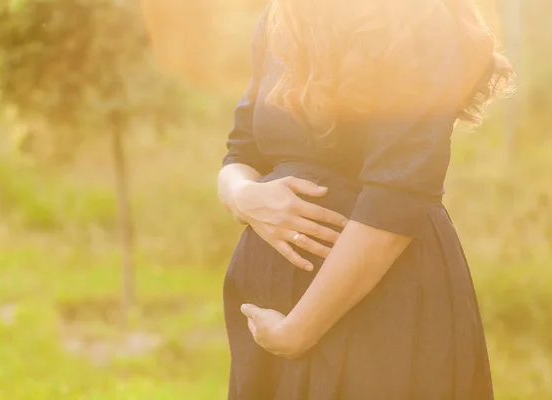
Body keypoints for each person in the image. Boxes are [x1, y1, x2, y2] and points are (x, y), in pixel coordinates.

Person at [217, 0, 513, 398]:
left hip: (382, 305)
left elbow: (397, 195)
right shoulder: (281, 16)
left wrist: (298, 330)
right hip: (273, 322)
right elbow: (241, 153)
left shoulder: (419, 18)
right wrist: (242, 196)